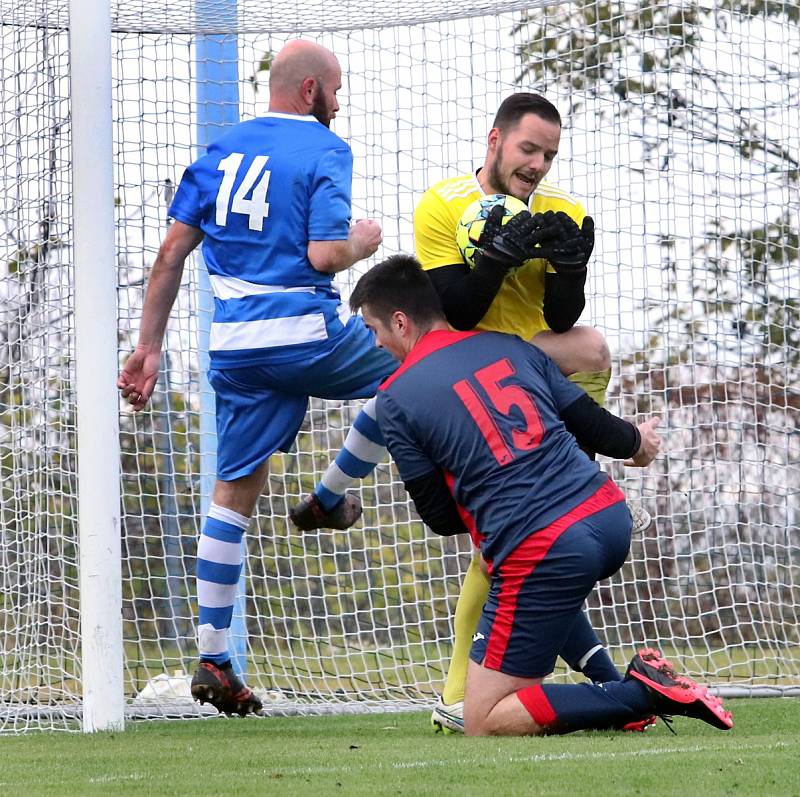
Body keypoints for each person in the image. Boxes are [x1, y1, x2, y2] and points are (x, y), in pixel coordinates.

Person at [291, 92, 651, 732]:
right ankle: (608, 682)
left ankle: (469, 692)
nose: (539, 164)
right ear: (495, 140)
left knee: (585, 352)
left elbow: (564, 321)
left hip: (513, 369)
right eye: (528, 149)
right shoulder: (442, 203)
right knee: (513, 546)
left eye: (549, 155)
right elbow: (452, 311)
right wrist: (496, 256)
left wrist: (572, 266)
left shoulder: (563, 209)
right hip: (474, 363)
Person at [117, 39, 398, 715]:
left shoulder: (218, 153)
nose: (340, 99)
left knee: (232, 496)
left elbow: (170, 254)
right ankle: (331, 495)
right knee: (421, 369)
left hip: (236, 347)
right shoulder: (326, 149)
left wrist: (148, 347)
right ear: (310, 91)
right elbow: (325, 252)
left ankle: (213, 655)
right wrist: (367, 239)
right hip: (303, 334)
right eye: (336, 88)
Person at [349, 254, 733, 737]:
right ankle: (618, 689)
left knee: (483, 719)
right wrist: (638, 441)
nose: (376, 341)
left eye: (373, 328)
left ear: (400, 322)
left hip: (544, 545)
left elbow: (441, 518)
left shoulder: (396, 398)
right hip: (608, 515)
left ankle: (643, 692)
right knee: (524, 581)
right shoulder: (510, 347)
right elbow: (594, 426)